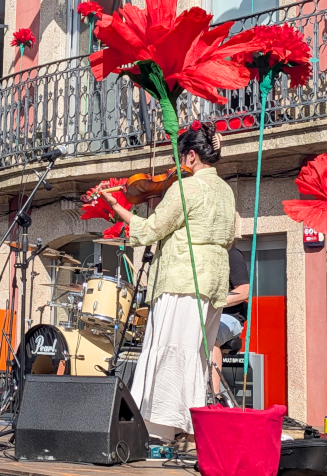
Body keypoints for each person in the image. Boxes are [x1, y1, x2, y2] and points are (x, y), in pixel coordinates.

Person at [100, 121, 235, 443]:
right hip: (213, 277)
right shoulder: (225, 191)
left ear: (190, 156)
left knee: (171, 348)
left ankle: (162, 427)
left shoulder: (186, 187)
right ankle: (189, 424)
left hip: (182, 276)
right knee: (195, 352)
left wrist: (117, 207)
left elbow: (149, 231)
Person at [212, 247, 250, 396]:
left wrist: (214, 302)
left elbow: (244, 291)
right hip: (202, 314)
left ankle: (213, 396)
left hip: (229, 316)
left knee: (209, 334)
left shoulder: (231, 254)